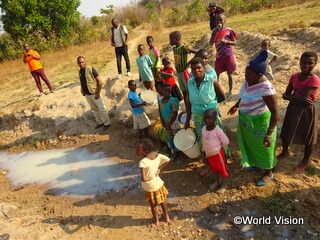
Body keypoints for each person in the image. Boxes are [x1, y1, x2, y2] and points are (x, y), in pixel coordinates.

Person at [227, 50, 279, 186]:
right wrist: (236, 106)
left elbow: (275, 113)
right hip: (247, 121)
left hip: (261, 122)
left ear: (260, 74)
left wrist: (269, 133)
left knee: (265, 147)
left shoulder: (266, 88)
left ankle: (269, 172)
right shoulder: (249, 81)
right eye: (245, 74)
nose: (246, 77)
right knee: (252, 145)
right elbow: (244, 96)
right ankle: (256, 163)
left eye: (249, 74)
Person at [185, 57, 229, 174]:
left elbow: (222, 96)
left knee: (217, 142)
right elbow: (188, 101)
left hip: (212, 119)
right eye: (193, 69)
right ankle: (208, 164)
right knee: (204, 142)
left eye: (199, 68)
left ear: (204, 68)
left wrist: (211, 107)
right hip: (198, 118)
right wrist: (187, 118)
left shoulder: (212, 80)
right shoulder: (189, 83)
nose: (196, 71)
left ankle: (222, 164)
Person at [278, 51, 319, 171]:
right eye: (304, 62)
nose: (306, 65)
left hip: (307, 111)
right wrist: (295, 98)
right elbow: (287, 93)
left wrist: (291, 97)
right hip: (293, 108)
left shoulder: (314, 79)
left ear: (315, 64)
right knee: (286, 130)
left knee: (309, 136)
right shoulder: (294, 76)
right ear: (300, 62)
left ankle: (306, 160)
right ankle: (285, 151)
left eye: (310, 63)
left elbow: (298, 97)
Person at [136, 138, 171, 226]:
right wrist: (159, 169)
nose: (136, 151)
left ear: (145, 151)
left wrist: (149, 178)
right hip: (159, 184)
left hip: (149, 187)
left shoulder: (143, 162)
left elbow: (143, 178)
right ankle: (166, 217)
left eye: (138, 149)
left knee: (153, 205)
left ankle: (156, 221)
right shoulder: (157, 155)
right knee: (163, 201)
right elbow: (167, 160)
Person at [77, 56, 111, 131]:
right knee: (94, 109)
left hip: (94, 93)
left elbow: (99, 81)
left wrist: (98, 93)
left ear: (85, 62)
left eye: (82, 62)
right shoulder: (80, 72)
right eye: (79, 63)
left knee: (101, 108)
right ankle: (100, 122)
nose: (81, 64)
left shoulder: (90, 69)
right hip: (87, 94)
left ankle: (107, 123)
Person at [202, 108, 229, 193]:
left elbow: (226, 141)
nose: (207, 120)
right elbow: (203, 140)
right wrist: (204, 150)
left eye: (209, 118)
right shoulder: (203, 129)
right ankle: (217, 181)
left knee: (222, 169)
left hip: (217, 154)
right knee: (214, 168)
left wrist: (219, 148)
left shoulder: (217, 130)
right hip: (209, 154)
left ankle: (224, 184)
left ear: (215, 119)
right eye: (205, 118)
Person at [209, 14, 237, 95]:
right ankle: (217, 91)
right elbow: (211, 43)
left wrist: (227, 42)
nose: (219, 22)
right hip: (219, 56)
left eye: (221, 20)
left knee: (230, 74)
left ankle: (230, 91)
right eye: (217, 20)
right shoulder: (214, 31)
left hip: (228, 55)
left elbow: (235, 42)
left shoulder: (229, 30)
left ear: (225, 20)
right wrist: (215, 32)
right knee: (217, 74)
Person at [169, 31, 197, 103]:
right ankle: (186, 104)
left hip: (184, 72)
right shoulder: (175, 49)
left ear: (176, 39)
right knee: (183, 90)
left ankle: (191, 103)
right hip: (178, 73)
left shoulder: (183, 47)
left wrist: (189, 63)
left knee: (188, 90)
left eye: (171, 39)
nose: (170, 41)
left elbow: (196, 52)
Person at [158, 83, 181, 161]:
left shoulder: (173, 100)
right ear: (162, 91)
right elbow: (160, 111)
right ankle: (173, 153)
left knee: (176, 138)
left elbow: (175, 113)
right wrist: (162, 121)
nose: (167, 93)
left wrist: (169, 123)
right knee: (170, 138)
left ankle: (178, 154)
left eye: (169, 91)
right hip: (165, 124)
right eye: (165, 91)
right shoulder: (160, 101)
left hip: (174, 124)